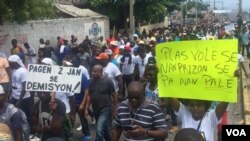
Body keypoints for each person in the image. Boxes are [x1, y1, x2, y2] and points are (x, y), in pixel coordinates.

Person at [84, 64, 117, 141]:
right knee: (104, 129)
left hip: (106, 108)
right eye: (92, 71)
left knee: (99, 128)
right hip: (96, 109)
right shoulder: (91, 81)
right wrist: (86, 108)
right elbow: (89, 96)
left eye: (94, 71)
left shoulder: (108, 81)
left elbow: (114, 96)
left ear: (100, 72)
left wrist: (115, 110)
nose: (92, 73)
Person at [8, 55, 32, 125]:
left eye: (10, 63)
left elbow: (24, 87)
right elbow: (13, 84)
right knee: (13, 113)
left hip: (23, 98)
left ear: (15, 62)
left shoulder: (23, 71)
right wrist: (9, 94)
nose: (9, 64)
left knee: (25, 114)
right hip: (15, 97)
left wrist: (19, 101)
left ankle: (28, 129)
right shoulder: (14, 70)